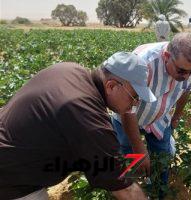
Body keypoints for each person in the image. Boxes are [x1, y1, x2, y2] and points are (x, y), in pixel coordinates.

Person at [0, 52, 156, 200]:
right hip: (10, 180)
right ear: (111, 86)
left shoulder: (69, 69)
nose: (135, 104)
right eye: (134, 97)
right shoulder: (89, 118)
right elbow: (125, 189)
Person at [111, 32, 191, 198]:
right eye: (181, 71)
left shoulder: (188, 65)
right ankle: (132, 192)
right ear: (167, 56)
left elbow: (186, 91)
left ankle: (159, 193)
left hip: (160, 118)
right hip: (129, 117)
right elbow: (126, 108)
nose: (187, 76)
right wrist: (139, 149)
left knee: (162, 158)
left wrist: (176, 117)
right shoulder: (143, 62)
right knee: (129, 155)